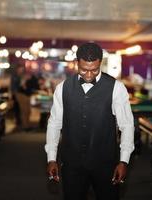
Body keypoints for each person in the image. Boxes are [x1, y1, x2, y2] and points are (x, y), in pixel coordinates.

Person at [45, 42, 134, 200]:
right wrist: (51, 158)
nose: (88, 75)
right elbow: (54, 124)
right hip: (72, 163)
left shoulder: (116, 88)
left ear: (100, 63)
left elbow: (127, 126)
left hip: (105, 163)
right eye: (84, 69)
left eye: (94, 70)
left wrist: (123, 161)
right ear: (76, 63)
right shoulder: (62, 88)